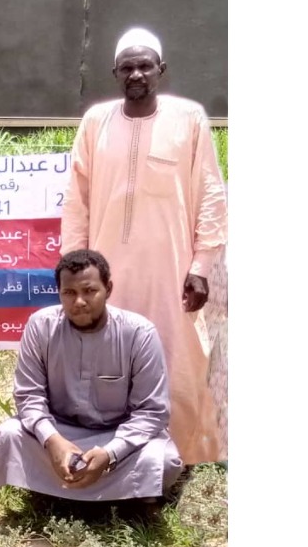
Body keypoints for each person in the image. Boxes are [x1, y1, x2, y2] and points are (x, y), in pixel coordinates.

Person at [59, 27, 228, 465]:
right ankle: (109, 452)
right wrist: (73, 267)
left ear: (161, 70)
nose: (137, 73)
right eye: (128, 67)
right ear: (115, 72)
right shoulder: (96, 121)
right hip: (105, 271)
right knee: (107, 353)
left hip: (171, 269)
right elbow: (77, 196)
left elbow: (210, 192)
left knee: (176, 354)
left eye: (145, 65)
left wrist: (202, 266)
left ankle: (176, 456)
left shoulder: (189, 118)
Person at [0, 250, 184, 507]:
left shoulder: (139, 333)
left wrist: (110, 453)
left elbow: (152, 411)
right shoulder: (41, 326)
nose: (79, 301)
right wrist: (53, 441)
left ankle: (68, 491)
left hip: (117, 435)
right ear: (59, 293)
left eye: (89, 291)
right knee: (8, 434)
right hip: (59, 431)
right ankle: (82, 489)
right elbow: (29, 396)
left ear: (108, 289)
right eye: (69, 293)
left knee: (163, 459)